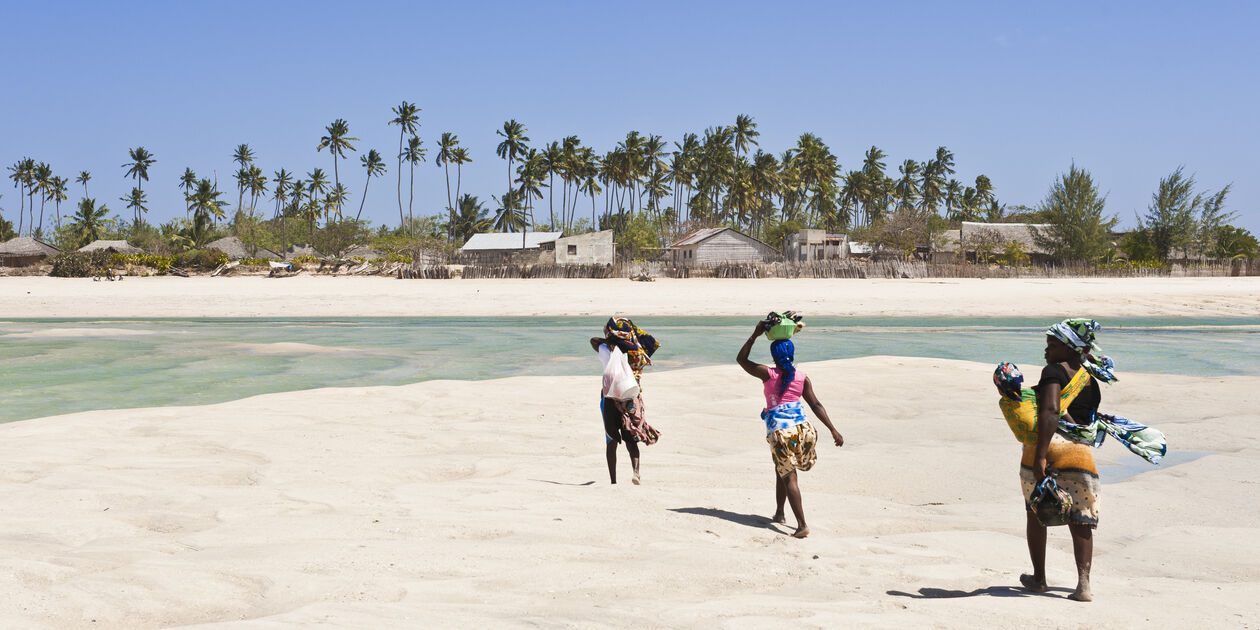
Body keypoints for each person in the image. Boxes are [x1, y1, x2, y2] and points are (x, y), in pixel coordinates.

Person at [1021, 319, 1116, 602]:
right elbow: (1087, 420)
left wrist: (1040, 456)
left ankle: (1039, 580)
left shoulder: (1053, 372)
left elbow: (1051, 410)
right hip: (1080, 455)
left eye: (1052, 345)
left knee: (1036, 512)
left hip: (1049, 448)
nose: (1046, 350)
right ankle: (1083, 585)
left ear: (1069, 348)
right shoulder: (1090, 380)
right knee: (1082, 518)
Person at [736, 322, 843, 538]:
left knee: (789, 477)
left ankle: (802, 525)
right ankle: (779, 512)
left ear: (773, 356)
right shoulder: (802, 378)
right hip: (804, 431)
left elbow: (741, 360)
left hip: (781, 433)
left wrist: (755, 334)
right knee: (781, 468)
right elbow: (816, 405)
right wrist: (833, 429)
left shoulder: (768, 374)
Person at [590, 316, 660, 485]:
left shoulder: (606, 349)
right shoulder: (637, 351)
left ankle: (613, 481)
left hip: (610, 398)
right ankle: (636, 472)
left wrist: (609, 340)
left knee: (611, 440)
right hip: (631, 397)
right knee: (631, 438)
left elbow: (592, 341)